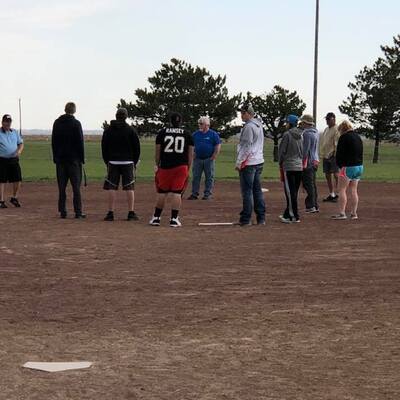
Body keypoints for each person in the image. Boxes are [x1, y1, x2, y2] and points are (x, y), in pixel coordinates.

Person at [149, 112, 194, 227]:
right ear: (181, 122)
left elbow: (157, 152)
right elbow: (190, 154)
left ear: (170, 121)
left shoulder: (162, 133)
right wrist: (188, 167)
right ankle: (174, 219)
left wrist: (157, 164)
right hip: (181, 166)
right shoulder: (187, 134)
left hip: (165, 166)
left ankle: (156, 218)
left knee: (162, 192)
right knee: (177, 193)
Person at [102, 108, 141, 221]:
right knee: (129, 187)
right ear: (126, 116)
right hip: (128, 162)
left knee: (112, 187)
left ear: (116, 116)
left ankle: (110, 213)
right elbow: (137, 148)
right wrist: (135, 162)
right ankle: (131, 212)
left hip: (113, 162)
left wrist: (107, 162)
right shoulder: (131, 130)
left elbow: (104, 148)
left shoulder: (108, 130)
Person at [51, 102, 85, 219]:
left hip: (60, 159)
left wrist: (55, 157)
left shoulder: (57, 123)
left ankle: (63, 211)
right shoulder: (76, 123)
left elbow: (53, 141)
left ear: (65, 109)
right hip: (74, 160)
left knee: (62, 187)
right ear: (74, 110)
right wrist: (82, 158)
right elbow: (80, 142)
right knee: (76, 187)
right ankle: (78, 212)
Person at [235, 102, 266, 226]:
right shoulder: (258, 125)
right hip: (258, 160)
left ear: (249, 113)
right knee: (257, 190)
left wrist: (239, 162)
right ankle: (261, 218)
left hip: (249, 162)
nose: (241, 115)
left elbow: (246, 146)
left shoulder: (248, 127)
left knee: (247, 191)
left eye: (243, 113)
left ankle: (246, 218)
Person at [332, 120, 363, 220]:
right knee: (354, 190)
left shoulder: (344, 137)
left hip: (348, 167)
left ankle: (342, 213)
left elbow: (339, 153)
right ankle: (354, 213)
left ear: (342, 129)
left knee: (342, 189)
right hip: (359, 166)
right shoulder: (358, 137)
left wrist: (340, 165)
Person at [187, 116, 221, 200]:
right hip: (197, 159)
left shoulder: (213, 134)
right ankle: (194, 194)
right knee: (196, 177)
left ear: (207, 125)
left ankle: (207, 194)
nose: (200, 125)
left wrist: (214, 155)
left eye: (201, 124)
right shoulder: (195, 134)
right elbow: (190, 145)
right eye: (199, 124)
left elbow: (217, 145)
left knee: (209, 177)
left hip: (209, 159)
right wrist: (192, 153)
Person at [278, 115, 303, 223]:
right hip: (299, 166)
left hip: (289, 166)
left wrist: (280, 162)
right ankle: (288, 213)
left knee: (289, 192)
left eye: (287, 123)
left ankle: (293, 216)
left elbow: (282, 151)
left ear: (290, 123)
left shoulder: (287, 135)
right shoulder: (302, 135)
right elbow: (303, 151)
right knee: (294, 192)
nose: (285, 124)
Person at [0, 114, 24, 208]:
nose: (8, 123)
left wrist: (19, 151)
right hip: (2, 160)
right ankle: (1, 200)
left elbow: (21, 143)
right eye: (6, 121)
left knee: (18, 179)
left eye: (9, 122)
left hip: (14, 159)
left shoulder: (14, 132)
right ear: (2, 122)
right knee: (1, 180)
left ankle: (14, 198)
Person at [300, 114, 319, 213]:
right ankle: (315, 204)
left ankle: (311, 205)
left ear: (306, 123)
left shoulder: (306, 134)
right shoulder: (315, 132)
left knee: (308, 184)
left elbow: (305, 150)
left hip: (308, 162)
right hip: (315, 160)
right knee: (312, 184)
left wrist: (302, 162)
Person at [320, 112, 340, 202]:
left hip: (333, 156)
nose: (327, 121)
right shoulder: (326, 129)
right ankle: (331, 194)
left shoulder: (337, 129)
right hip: (326, 155)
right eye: (326, 119)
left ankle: (339, 193)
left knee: (336, 174)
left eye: (329, 119)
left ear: (334, 119)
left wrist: (334, 154)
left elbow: (336, 143)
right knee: (327, 175)